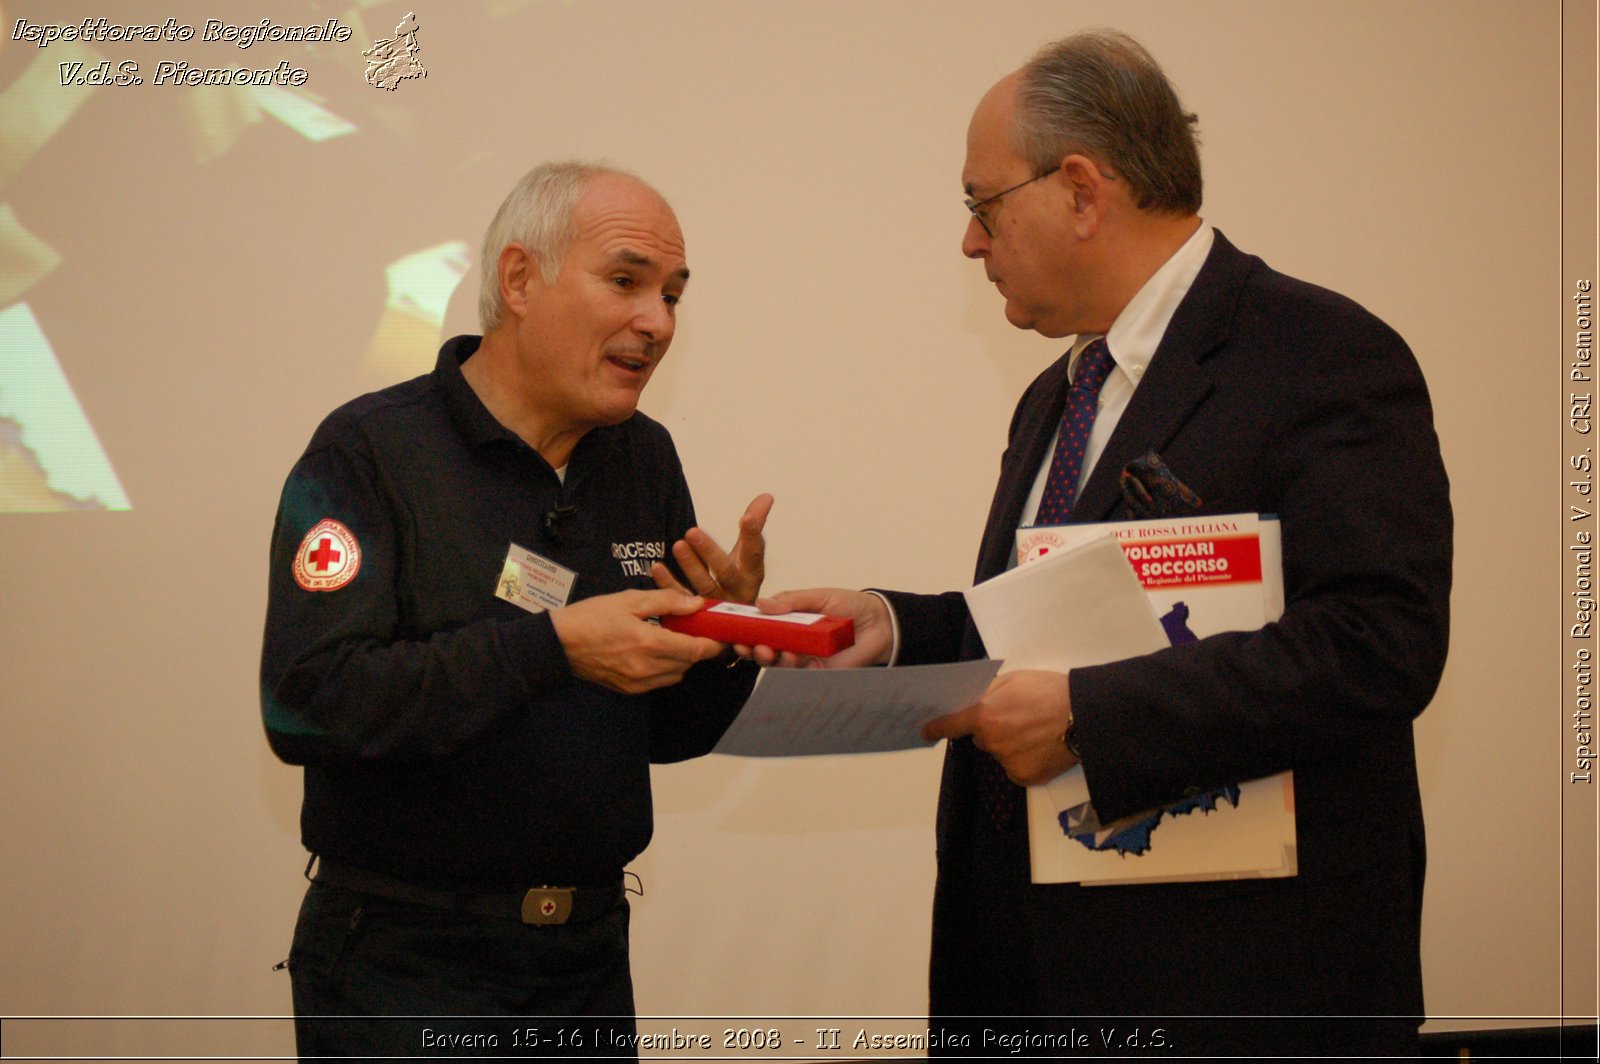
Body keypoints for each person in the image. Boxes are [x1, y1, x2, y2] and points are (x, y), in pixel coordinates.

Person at [758, 31, 1451, 1056]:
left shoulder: (1321, 356)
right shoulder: (1058, 395)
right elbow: (1047, 623)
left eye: (979, 205)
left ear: (1081, 191)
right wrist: (896, 624)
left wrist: (1088, 714)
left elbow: (1377, 640)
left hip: (1230, 988)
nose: (968, 242)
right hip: (1022, 969)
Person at [260, 161, 770, 1058]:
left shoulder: (642, 459)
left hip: (585, 963)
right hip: (403, 967)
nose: (657, 321)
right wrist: (551, 648)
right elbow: (310, 701)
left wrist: (722, 642)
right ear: (520, 281)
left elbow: (663, 731)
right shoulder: (372, 449)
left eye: (672, 295)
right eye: (626, 281)